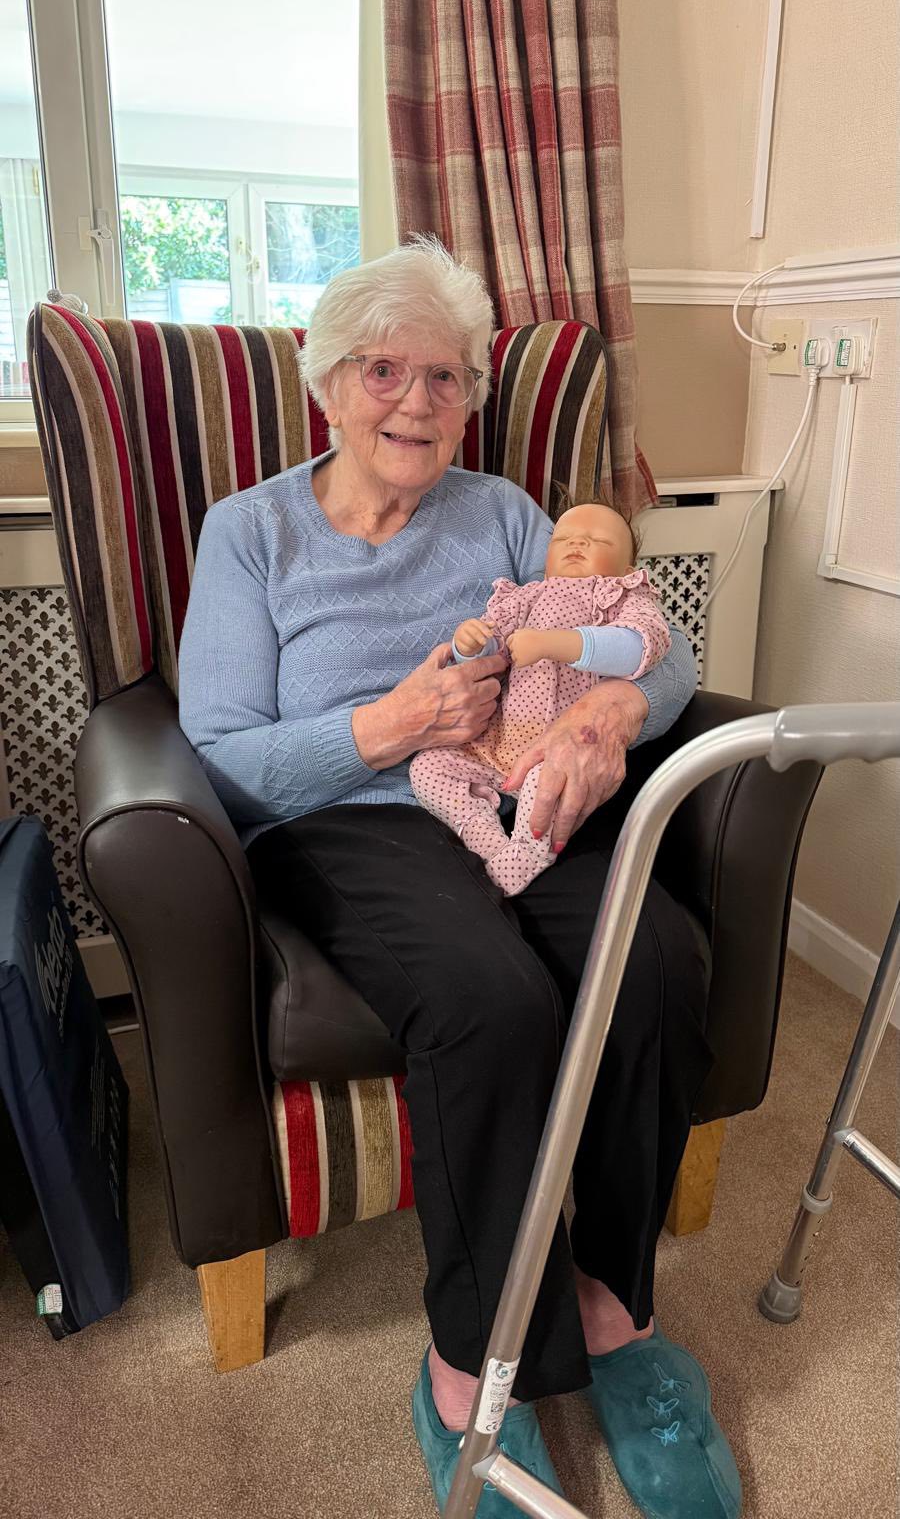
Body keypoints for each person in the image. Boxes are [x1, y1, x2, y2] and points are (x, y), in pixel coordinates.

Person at [178, 237, 741, 1519]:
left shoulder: (501, 515)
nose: (420, 403)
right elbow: (220, 757)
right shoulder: (252, 533)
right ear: (329, 381)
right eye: (387, 369)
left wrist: (605, 721)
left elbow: (655, 637)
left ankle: (611, 1310)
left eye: (446, 377)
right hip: (352, 815)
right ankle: (467, 1366)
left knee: (651, 959)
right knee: (492, 998)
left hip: (520, 788)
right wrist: (391, 724)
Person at [410, 501, 671, 895]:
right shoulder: (524, 598)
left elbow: (639, 648)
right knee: (429, 767)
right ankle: (487, 839)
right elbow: (493, 655)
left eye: (597, 539)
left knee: (548, 786)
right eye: (563, 537)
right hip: (495, 747)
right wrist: (470, 645)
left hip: (558, 751)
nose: (577, 543)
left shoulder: (622, 598)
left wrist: (555, 644)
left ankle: (523, 859)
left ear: (630, 569)